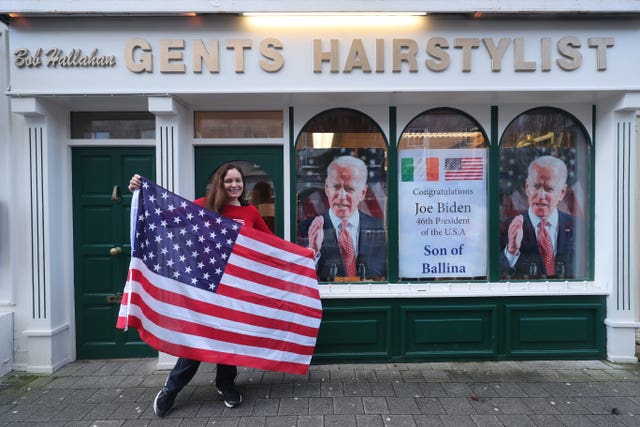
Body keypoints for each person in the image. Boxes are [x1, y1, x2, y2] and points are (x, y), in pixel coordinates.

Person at [128, 163, 272, 418]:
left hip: (234, 289)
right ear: (220, 183)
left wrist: (302, 256)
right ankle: (170, 390)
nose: (234, 185)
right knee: (196, 343)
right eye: (229, 181)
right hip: (204, 287)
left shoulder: (250, 212)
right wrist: (140, 192)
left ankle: (226, 384)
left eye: (238, 180)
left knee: (229, 338)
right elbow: (164, 215)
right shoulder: (203, 206)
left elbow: (269, 244)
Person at [298, 155, 387, 281]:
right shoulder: (306, 229)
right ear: (327, 188)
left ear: (362, 193)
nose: (341, 196)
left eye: (349, 189)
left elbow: (382, 274)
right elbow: (299, 278)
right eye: (336, 187)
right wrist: (313, 251)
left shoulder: (378, 229)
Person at [499, 155, 575, 279]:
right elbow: (496, 276)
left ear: (562, 192)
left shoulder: (577, 228)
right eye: (536, 186)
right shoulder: (507, 228)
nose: (541, 195)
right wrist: (511, 250)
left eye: (549, 189)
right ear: (527, 187)